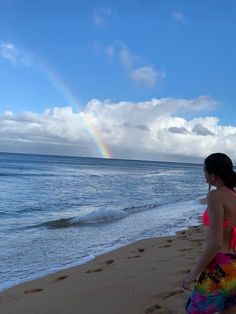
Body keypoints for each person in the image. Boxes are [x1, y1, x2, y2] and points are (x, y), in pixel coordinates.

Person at [183, 153, 236, 314]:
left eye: (205, 172)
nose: (204, 176)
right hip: (234, 265)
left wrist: (193, 273)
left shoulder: (215, 196)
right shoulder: (234, 195)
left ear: (213, 176)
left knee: (193, 310)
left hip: (219, 266)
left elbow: (216, 242)